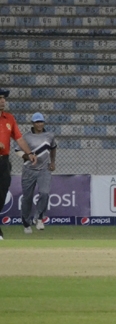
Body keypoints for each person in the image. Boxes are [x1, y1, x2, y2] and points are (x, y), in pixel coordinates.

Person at [0, 87, 39, 241]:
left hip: (3, 162)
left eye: (4, 98)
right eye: (0, 98)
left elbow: (19, 138)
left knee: (2, 195)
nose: (2, 101)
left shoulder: (9, 118)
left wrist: (29, 153)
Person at [20, 112, 57, 233]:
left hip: (44, 170)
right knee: (27, 198)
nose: (39, 124)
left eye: (41, 121)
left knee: (44, 193)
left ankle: (39, 218)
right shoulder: (26, 137)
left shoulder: (49, 135)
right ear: (33, 123)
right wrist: (28, 156)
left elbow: (53, 148)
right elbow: (17, 151)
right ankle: (26, 223)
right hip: (28, 170)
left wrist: (52, 162)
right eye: (37, 122)